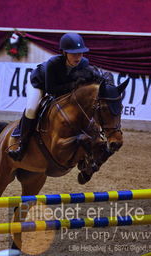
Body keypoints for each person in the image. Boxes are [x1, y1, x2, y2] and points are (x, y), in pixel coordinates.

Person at [8, 32, 90, 161]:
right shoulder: (54, 63)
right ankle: (21, 145)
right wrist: (74, 84)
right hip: (39, 85)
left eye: (80, 53)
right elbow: (51, 89)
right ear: (64, 53)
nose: (78, 57)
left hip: (62, 87)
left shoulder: (84, 63)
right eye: (74, 53)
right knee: (31, 108)